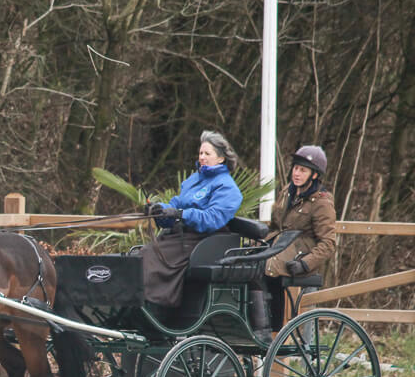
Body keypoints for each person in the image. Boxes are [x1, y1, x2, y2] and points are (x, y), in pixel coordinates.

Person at [142, 130, 243, 309]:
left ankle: (155, 307)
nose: (202, 157)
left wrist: (181, 214)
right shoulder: (194, 179)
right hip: (178, 236)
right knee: (139, 255)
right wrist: (159, 210)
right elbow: (176, 203)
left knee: (149, 259)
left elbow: (212, 219)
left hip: (202, 240)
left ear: (221, 159)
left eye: (207, 153)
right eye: (200, 153)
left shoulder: (228, 188)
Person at [263, 145, 337, 327]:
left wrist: (304, 263)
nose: (296, 173)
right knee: (247, 267)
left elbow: (328, 243)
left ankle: (272, 331)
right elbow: (275, 226)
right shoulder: (287, 192)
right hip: (279, 248)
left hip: (298, 257)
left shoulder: (321, 202)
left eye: (303, 170)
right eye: (295, 168)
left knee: (268, 271)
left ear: (314, 175)